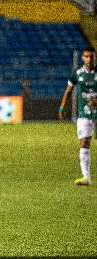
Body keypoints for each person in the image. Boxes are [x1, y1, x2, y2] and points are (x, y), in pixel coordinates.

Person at [59, 46, 97, 186]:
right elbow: (69, 90)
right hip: (83, 114)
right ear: (82, 57)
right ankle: (86, 177)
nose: (89, 59)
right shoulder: (77, 73)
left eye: (91, 56)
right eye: (86, 56)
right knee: (84, 142)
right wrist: (62, 106)